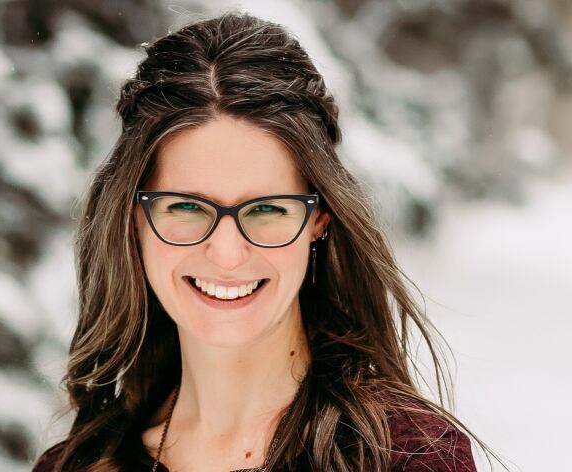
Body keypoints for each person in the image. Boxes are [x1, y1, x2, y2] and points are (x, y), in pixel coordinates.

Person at [32, 11, 486, 472]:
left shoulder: (408, 458)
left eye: (267, 209)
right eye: (187, 207)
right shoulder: (78, 464)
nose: (227, 254)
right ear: (135, 220)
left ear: (319, 220)